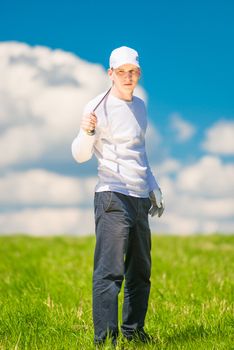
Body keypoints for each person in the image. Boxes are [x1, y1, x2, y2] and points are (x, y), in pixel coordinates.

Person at [71, 46, 164, 346]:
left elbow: (140, 153)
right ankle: (106, 340)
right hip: (112, 195)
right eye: (121, 71)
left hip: (140, 199)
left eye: (133, 71)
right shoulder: (97, 107)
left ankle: (134, 333)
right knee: (110, 273)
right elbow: (79, 156)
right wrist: (85, 133)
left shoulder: (140, 107)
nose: (128, 76)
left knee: (140, 273)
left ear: (138, 73)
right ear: (110, 73)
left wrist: (153, 185)